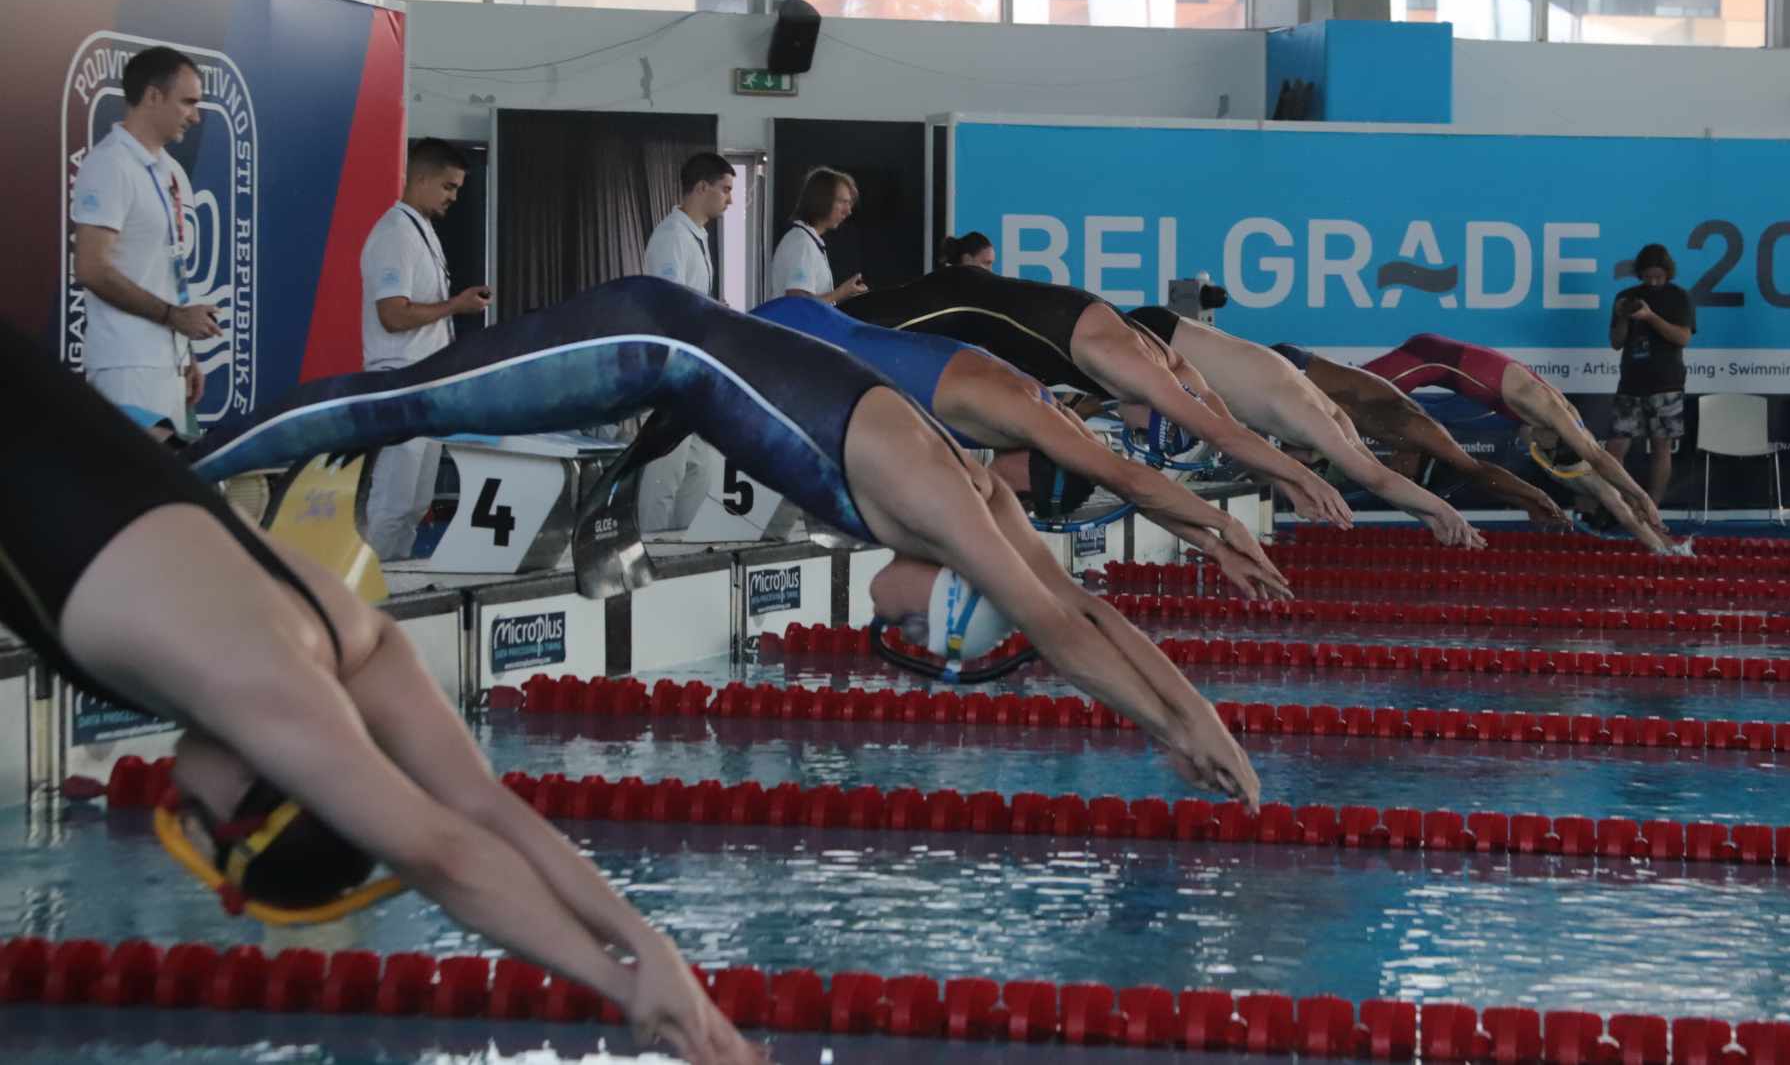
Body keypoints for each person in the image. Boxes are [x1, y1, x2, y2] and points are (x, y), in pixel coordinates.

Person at [185, 277, 1261, 805]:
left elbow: (1079, 611)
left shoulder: (990, 508)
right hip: (642, 343)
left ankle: (182, 470)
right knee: (401, 403)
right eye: (918, 634)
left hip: (669, 366)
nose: (885, 624)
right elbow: (1059, 625)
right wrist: (1189, 721)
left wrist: (1176, 721)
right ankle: (169, 472)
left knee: (406, 408)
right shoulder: (944, 505)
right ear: (942, 594)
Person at [0, 323, 764, 1064]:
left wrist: (647, 948)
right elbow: (448, 846)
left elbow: (483, 805)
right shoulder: (258, 690)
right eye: (200, 824)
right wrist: (628, 981)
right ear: (260, 797)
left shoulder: (339, 634)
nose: (174, 790)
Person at [753, 294, 1290, 600]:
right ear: (1032, 469)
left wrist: (1216, 549)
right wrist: (1227, 527)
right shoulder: (1029, 417)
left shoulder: (1052, 419)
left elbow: (1127, 482)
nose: (1014, 502)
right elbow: (1131, 480)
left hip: (813, 336)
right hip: (791, 345)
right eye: (1028, 498)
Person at [841, 266, 1354, 525]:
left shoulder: (1165, 374)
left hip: (964, 319)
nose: (1125, 430)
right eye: (1136, 431)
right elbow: (1208, 436)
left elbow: (1223, 428)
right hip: (952, 303)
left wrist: (1280, 479)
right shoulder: (1130, 368)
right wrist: (1299, 477)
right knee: (818, 331)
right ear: (1154, 411)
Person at [1123, 308, 1485, 550]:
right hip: (1163, 338)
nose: (1292, 462)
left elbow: (1377, 474)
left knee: (1145, 413)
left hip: (1174, 334)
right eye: (1307, 467)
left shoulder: (1330, 416)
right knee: (1131, 413)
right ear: (1315, 452)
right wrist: (1447, 511)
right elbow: (1375, 479)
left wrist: (1426, 517)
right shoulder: (1312, 420)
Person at [1362, 333, 1687, 555]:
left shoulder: (1546, 428)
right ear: (1556, 439)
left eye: (1542, 453)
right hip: (1429, 355)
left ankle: (1666, 548)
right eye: (1546, 449)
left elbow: (1613, 500)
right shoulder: (1548, 409)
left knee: (1607, 492)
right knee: (1335, 389)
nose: (1539, 448)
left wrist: (1663, 549)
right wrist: (1643, 495)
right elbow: (1597, 456)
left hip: (1437, 369)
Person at [68, 45, 219, 429]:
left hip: (167, 365)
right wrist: (173, 317)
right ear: (153, 96)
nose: (196, 116)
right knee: (131, 489)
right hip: (127, 367)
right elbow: (91, 268)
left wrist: (185, 355)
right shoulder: (110, 165)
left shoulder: (168, 170)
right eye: (187, 102)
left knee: (165, 488)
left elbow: (163, 268)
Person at [1265, 343, 1571, 529]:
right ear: (1419, 459)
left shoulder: (1405, 436)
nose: (1399, 473)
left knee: (1299, 452)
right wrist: (1536, 498)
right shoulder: (1421, 431)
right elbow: (1476, 470)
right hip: (1296, 368)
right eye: (1409, 476)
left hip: (1303, 385)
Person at [358, 139, 492, 562]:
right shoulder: (395, 233)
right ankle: (373, 594)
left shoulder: (422, 231)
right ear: (420, 178)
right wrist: (457, 305)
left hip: (425, 382)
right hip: (401, 380)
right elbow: (392, 316)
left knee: (415, 506)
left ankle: (397, 590)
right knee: (392, 504)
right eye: (448, 187)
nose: (454, 197)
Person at [639, 151, 736, 535]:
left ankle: (684, 549)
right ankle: (649, 547)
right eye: (725, 190)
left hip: (695, 371)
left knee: (702, 469)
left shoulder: (695, 236)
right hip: (671, 371)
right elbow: (667, 305)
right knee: (666, 470)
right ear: (702, 187)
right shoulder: (670, 238)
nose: (729, 199)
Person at [1606, 243, 1695, 508]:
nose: (1653, 282)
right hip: (1630, 384)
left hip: (1666, 384)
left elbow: (1682, 337)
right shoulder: (1626, 296)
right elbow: (1615, 342)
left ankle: (1651, 509)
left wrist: (1651, 317)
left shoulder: (1679, 297)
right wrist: (1623, 317)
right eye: (1648, 276)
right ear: (1640, 274)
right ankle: (1616, 506)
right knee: (1614, 449)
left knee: (1660, 447)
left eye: (1659, 276)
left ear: (1668, 272)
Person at [769, 166, 866, 303]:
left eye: (849, 204)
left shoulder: (808, 241)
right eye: (843, 202)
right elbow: (798, 304)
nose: (848, 211)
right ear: (822, 200)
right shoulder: (802, 243)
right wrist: (843, 292)